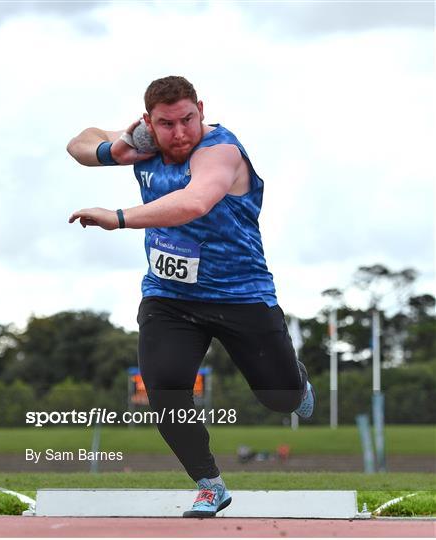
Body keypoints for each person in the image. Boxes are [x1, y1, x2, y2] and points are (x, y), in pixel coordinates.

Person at [67, 75, 315, 518]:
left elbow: (194, 202)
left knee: (279, 398)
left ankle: (296, 383)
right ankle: (209, 483)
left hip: (240, 294)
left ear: (201, 109)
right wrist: (115, 150)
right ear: (148, 122)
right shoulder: (142, 142)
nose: (180, 133)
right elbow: (78, 143)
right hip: (170, 295)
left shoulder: (220, 151)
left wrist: (118, 217)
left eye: (188, 119)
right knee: (162, 384)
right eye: (167, 124)